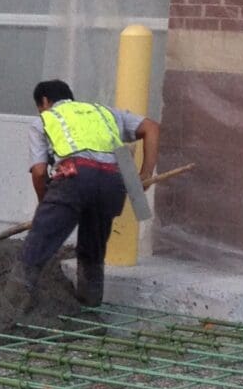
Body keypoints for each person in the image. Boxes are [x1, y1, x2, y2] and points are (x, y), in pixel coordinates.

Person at [16, 78, 160, 311]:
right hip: (113, 183)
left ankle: (12, 303)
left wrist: (45, 206)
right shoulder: (105, 113)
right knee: (93, 249)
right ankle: (90, 309)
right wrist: (144, 174)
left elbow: (40, 172)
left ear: (44, 101)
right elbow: (152, 127)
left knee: (39, 242)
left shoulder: (45, 119)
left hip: (74, 177)